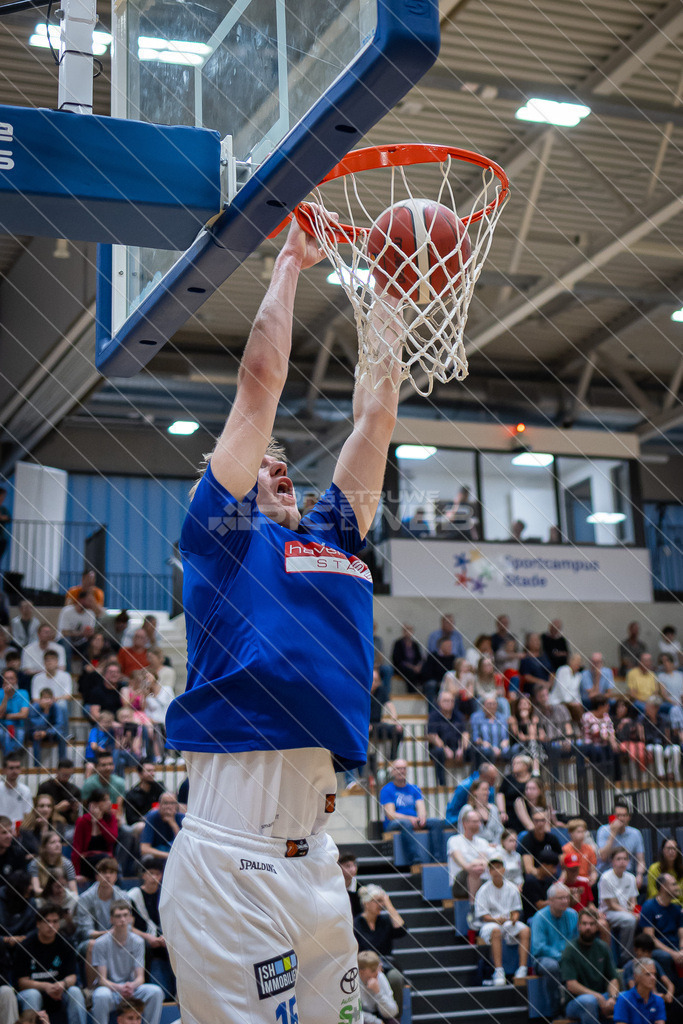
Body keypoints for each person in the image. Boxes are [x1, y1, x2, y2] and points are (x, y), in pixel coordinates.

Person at [159, 206, 405, 1024]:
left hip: (316, 862)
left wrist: (393, 293)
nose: (276, 464)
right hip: (232, 858)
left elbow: (375, 414)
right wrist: (292, 263)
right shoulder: (223, 541)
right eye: (256, 462)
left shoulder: (333, 536)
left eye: (281, 463)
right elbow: (259, 384)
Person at [91, 901, 163, 1024]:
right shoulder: (100, 943)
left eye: (125, 915)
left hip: (132, 990)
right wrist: (120, 988)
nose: (122, 919)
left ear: (130, 918)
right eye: (118, 916)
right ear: (111, 919)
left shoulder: (138, 942)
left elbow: (140, 978)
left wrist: (131, 986)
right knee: (100, 996)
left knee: (155, 992)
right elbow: (102, 980)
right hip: (111, 991)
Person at [15, 904, 86, 1024]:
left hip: (59, 992)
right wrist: (46, 986)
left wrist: (62, 984)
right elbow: (22, 982)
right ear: (38, 924)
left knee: (75, 992)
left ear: (59, 924)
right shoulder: (25, 946)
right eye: (46, 921)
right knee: (33, 994)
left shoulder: (66, 944)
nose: (51, 925)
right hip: (34, 991)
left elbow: (72, 976)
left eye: (55, 921)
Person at [473, 852, 529, 986]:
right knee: (496, 931)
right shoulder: (483, 890)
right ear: (490, 871)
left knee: (525, 930)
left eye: (499, 867)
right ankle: (498, 971)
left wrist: (514, 918)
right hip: (490, 924)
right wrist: (497, 920)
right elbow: (483, 916)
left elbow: (516, 910)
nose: (497, 871)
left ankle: (522, 968)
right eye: (493, 868)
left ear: (504, 869)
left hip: (507, 923)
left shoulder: (512, 888)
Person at [379, 760, 445, 865]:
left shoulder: (414, 788)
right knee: (406, 824)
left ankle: (438, 859)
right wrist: (409, 818)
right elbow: (391, 814)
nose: (401, 771)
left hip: (413, 820)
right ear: (392, 772)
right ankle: (416, 860)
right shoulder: (387, 790)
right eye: (398, 768)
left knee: (436, 822)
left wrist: (422, 817)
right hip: (395, 823)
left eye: (404, 768)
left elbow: (421, 808)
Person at [354, 885, 406, 1015]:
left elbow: (402, 930)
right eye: (376, 901)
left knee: (396, 977)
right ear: (366, 903)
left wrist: (388, 904)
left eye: (381, 901)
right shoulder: (356, 924)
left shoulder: (385, 920)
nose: (380, 904)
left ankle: (395, 1018)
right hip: (363, 967)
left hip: (385, 965)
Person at [127, 856, 174, 1000]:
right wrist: (148, 937)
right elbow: (128, 927)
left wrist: (167, 937)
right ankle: (144, 987)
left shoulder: (166, 894)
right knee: (143, 945)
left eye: (157, 874)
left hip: (163, 939)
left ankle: (179, 992)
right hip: (142, 938)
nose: (154, 877)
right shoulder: (133, 895)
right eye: (150, 873)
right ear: (143, 875)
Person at [562, 908, 619, 1024]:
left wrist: (613, 997)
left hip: (602, 996)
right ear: (578, 926)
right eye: (584, 924)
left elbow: (613, 978)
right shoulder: (570, 949)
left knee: (624, 998)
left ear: (597, 926)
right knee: (589, 1001)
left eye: (592, 924)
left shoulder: (603, 947)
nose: (588, 927)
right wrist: (597, 996)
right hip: (576, 1001)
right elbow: (571, 985)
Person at [530, 883, 578, 1019]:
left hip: (567, 957)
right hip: (544, 959)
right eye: (561, 898)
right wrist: (562, 956)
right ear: (550, 901)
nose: (565, 901)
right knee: (552, 967)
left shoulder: (573, 914)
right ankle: (554, 1010)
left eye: (567, 898)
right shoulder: (539, 917)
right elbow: (539, 947)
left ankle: (575, 1007)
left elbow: (576, 941)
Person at [639, 873, 683, 987]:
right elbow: (650, 938)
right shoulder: (649, 906)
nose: (677, 887)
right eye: (673, 885)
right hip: (658, 949)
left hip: (677, 947)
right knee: (665, 957)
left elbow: (681, 933)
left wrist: (681, 950)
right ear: (664, 887)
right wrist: (673, 953)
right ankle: (673, 992)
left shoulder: (677, 908)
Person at [598, 847, 638, 965]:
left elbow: (633, 900)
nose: (622, 862)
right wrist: (629, 913)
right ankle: (626, 957)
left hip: (625, 911)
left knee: (644, 918)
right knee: (629, 920)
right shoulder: (606, 877)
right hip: (608, 913)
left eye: (625, 859)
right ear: (612, 862)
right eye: (619, 859)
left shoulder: (631, 877)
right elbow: (612, 905)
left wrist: (634, 910)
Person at [447, 809, 494, 903]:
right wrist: (475, 864)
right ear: (465, 823)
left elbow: (484, 862)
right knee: (474, 870)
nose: (479, 824)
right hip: (460, 883)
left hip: (482, 879)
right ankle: (473, 906)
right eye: (475, 821)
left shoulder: (482, 842)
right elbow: (464, 865)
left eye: (479, 821)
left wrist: (475, 864)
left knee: (494, 870)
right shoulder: (454, 840)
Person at [71, 790, 118, 881]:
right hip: (87, 861)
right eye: (105, 800)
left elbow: (112, 839)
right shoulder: (83, 821)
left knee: (113, 867)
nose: (109, 803)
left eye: (109, 800)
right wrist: (76, 874)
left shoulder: (111, 819)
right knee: (107, 865)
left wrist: (100, 821)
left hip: (106, 860)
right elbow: (76, 849)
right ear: (94, 804)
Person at [596, 802, 645, 886]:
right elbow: (603, 857)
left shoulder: (635, 833)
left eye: (624, 815)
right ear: (612, 817)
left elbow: (641, 860)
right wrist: (613, 833)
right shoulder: (603, 830)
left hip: (627, 872)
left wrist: (639, 875)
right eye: (618, 816)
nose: (621, 818)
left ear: (629, 817)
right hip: (606, 872)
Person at [426, 690, 467, 787]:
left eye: (451, 701)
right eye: (446, 701)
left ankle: (473, 782)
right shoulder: (433, 716)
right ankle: (441, 784)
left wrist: (462, 748)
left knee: (473, 750)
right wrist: (445, 748)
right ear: (439, 702)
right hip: (440, 748)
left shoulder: (459, 716)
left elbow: (465, 734)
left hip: (457, 748)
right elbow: (432, 735)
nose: (449, 703)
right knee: (439, 752)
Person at [621, 934, 674, 1004]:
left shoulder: (654, 963)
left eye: (649, 952)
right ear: (635, 950)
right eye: (643, 951)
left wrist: (669, 994)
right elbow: (633, 988)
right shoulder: (630, 966)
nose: (646, 955)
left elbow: (669, 984)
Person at [614, 959, 665, 1024]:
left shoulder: (659, 1000)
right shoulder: (624, 999)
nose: (653, 978)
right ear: (636, 977)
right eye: (648, 974)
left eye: (654, 974)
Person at [37, 761, 81, 834]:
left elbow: (74, 819)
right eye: (64, 775)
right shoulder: (45, 787)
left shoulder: (74, 790)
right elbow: (37, 811)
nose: (66, 778)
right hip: (49, 824)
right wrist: (57, 808)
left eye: (69, 775)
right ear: (57, 771)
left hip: (68, 826)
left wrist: (75, 810)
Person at [457, 778, 503, 846]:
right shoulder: (467, 809)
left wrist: (495, 844)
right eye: (484, 789)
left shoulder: (494, 809)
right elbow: (462, 831)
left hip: (493, 847)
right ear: (475, 791)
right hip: (473, 846)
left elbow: (499, 830)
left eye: (488, 789)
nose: (487, 792)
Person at [123, 763, 165, 837]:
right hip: (141, 824)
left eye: (153, 770)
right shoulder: (131, 794)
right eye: (148, 771)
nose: (152, 773)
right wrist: (147, 817)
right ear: (140, 774)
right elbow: (130, 820)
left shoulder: (159, 787)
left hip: (159, 820)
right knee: (142, 826)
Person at [357, 950, 399, 1024]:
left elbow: (392, 1012)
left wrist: (378, 993)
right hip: (364, 1017)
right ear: (361, 972)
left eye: (378, 968)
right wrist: (376, 1022)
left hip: (380, 1013)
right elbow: (354, 1013)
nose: (377, 973)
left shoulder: (380, 977)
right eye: (373, 970)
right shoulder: (354, 982)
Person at [139, 793, 183, 861]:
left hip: (175, 853)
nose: (168, 806)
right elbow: (144, 848)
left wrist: (173, 824)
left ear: (177, 805)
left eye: (172, 803)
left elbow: (183, 845)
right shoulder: (152, 817)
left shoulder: (182, 818)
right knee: (147, 858)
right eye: (165, 803)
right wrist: (168, 856)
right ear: (159, 805)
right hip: (158, 854)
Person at [519, 809, 563, 878]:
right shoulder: (527, 839)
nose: (540, 824)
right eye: (537, 821)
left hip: (552, 874)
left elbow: (562, 860)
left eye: (542, 820)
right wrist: (542, 874)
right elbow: (528, 868)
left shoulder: (553, 838)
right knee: (530, 879)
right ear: (532, 821)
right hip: (536, 875)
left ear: (546, 821)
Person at [469, 695, 510, 765]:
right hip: (485, 747)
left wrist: (503, 744)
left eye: (494, 704)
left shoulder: (502, 718)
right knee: (486, 752)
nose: (491, 706)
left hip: (500, 748)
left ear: (497, 705)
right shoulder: (476, 717)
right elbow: (476, 738)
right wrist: (487, 745)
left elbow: (506, 738)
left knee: (510, 752)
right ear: (483, 706)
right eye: (489, 704)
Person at [522, 850, 561, 922]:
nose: (555, 871)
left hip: (549, 916)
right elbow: (539, 906)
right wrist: (559, 899)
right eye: (552, 867)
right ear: (544, 865)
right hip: (533, 918)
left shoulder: (549, 880)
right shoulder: (530, 882)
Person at [0, 669, 30, 755]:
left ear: (16, 680)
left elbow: (24, 714)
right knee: (3, 735)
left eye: (11, 678)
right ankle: (9, 762)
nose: (9, 681)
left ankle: (15, 761)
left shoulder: (23, 693)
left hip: (18, 725)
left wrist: (6, 716)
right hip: (2, 726)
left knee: (19, 734)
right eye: (6, 678)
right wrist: (6, 696)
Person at [563, 819, 598, 886]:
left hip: (586, 881)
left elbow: (593, 871)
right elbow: (564, 871)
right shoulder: (565, 849)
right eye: (578, 832)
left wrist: (593, 878)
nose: (582, 835)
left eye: (583, 832)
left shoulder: (589, 849)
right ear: (571, 833)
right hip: (572, 881)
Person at [391, 624, 424, 694]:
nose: (408, 632)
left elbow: (420, 658)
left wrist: (418, 666)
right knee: (410, 672)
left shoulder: (415, 644)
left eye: (410, 630)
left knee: (425, 670)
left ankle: (423, 691)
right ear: (403, 632)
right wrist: (412, 667)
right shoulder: (398, 643)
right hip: (403, 667)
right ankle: (411, 692)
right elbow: (397, 659)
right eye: (406, 630)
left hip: (415, 666)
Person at [339, 853, 361, 919]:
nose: (353, 869)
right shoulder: (333, 887)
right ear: (339, 867)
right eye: (348, 866)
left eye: (354, 865)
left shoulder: (360, 888)